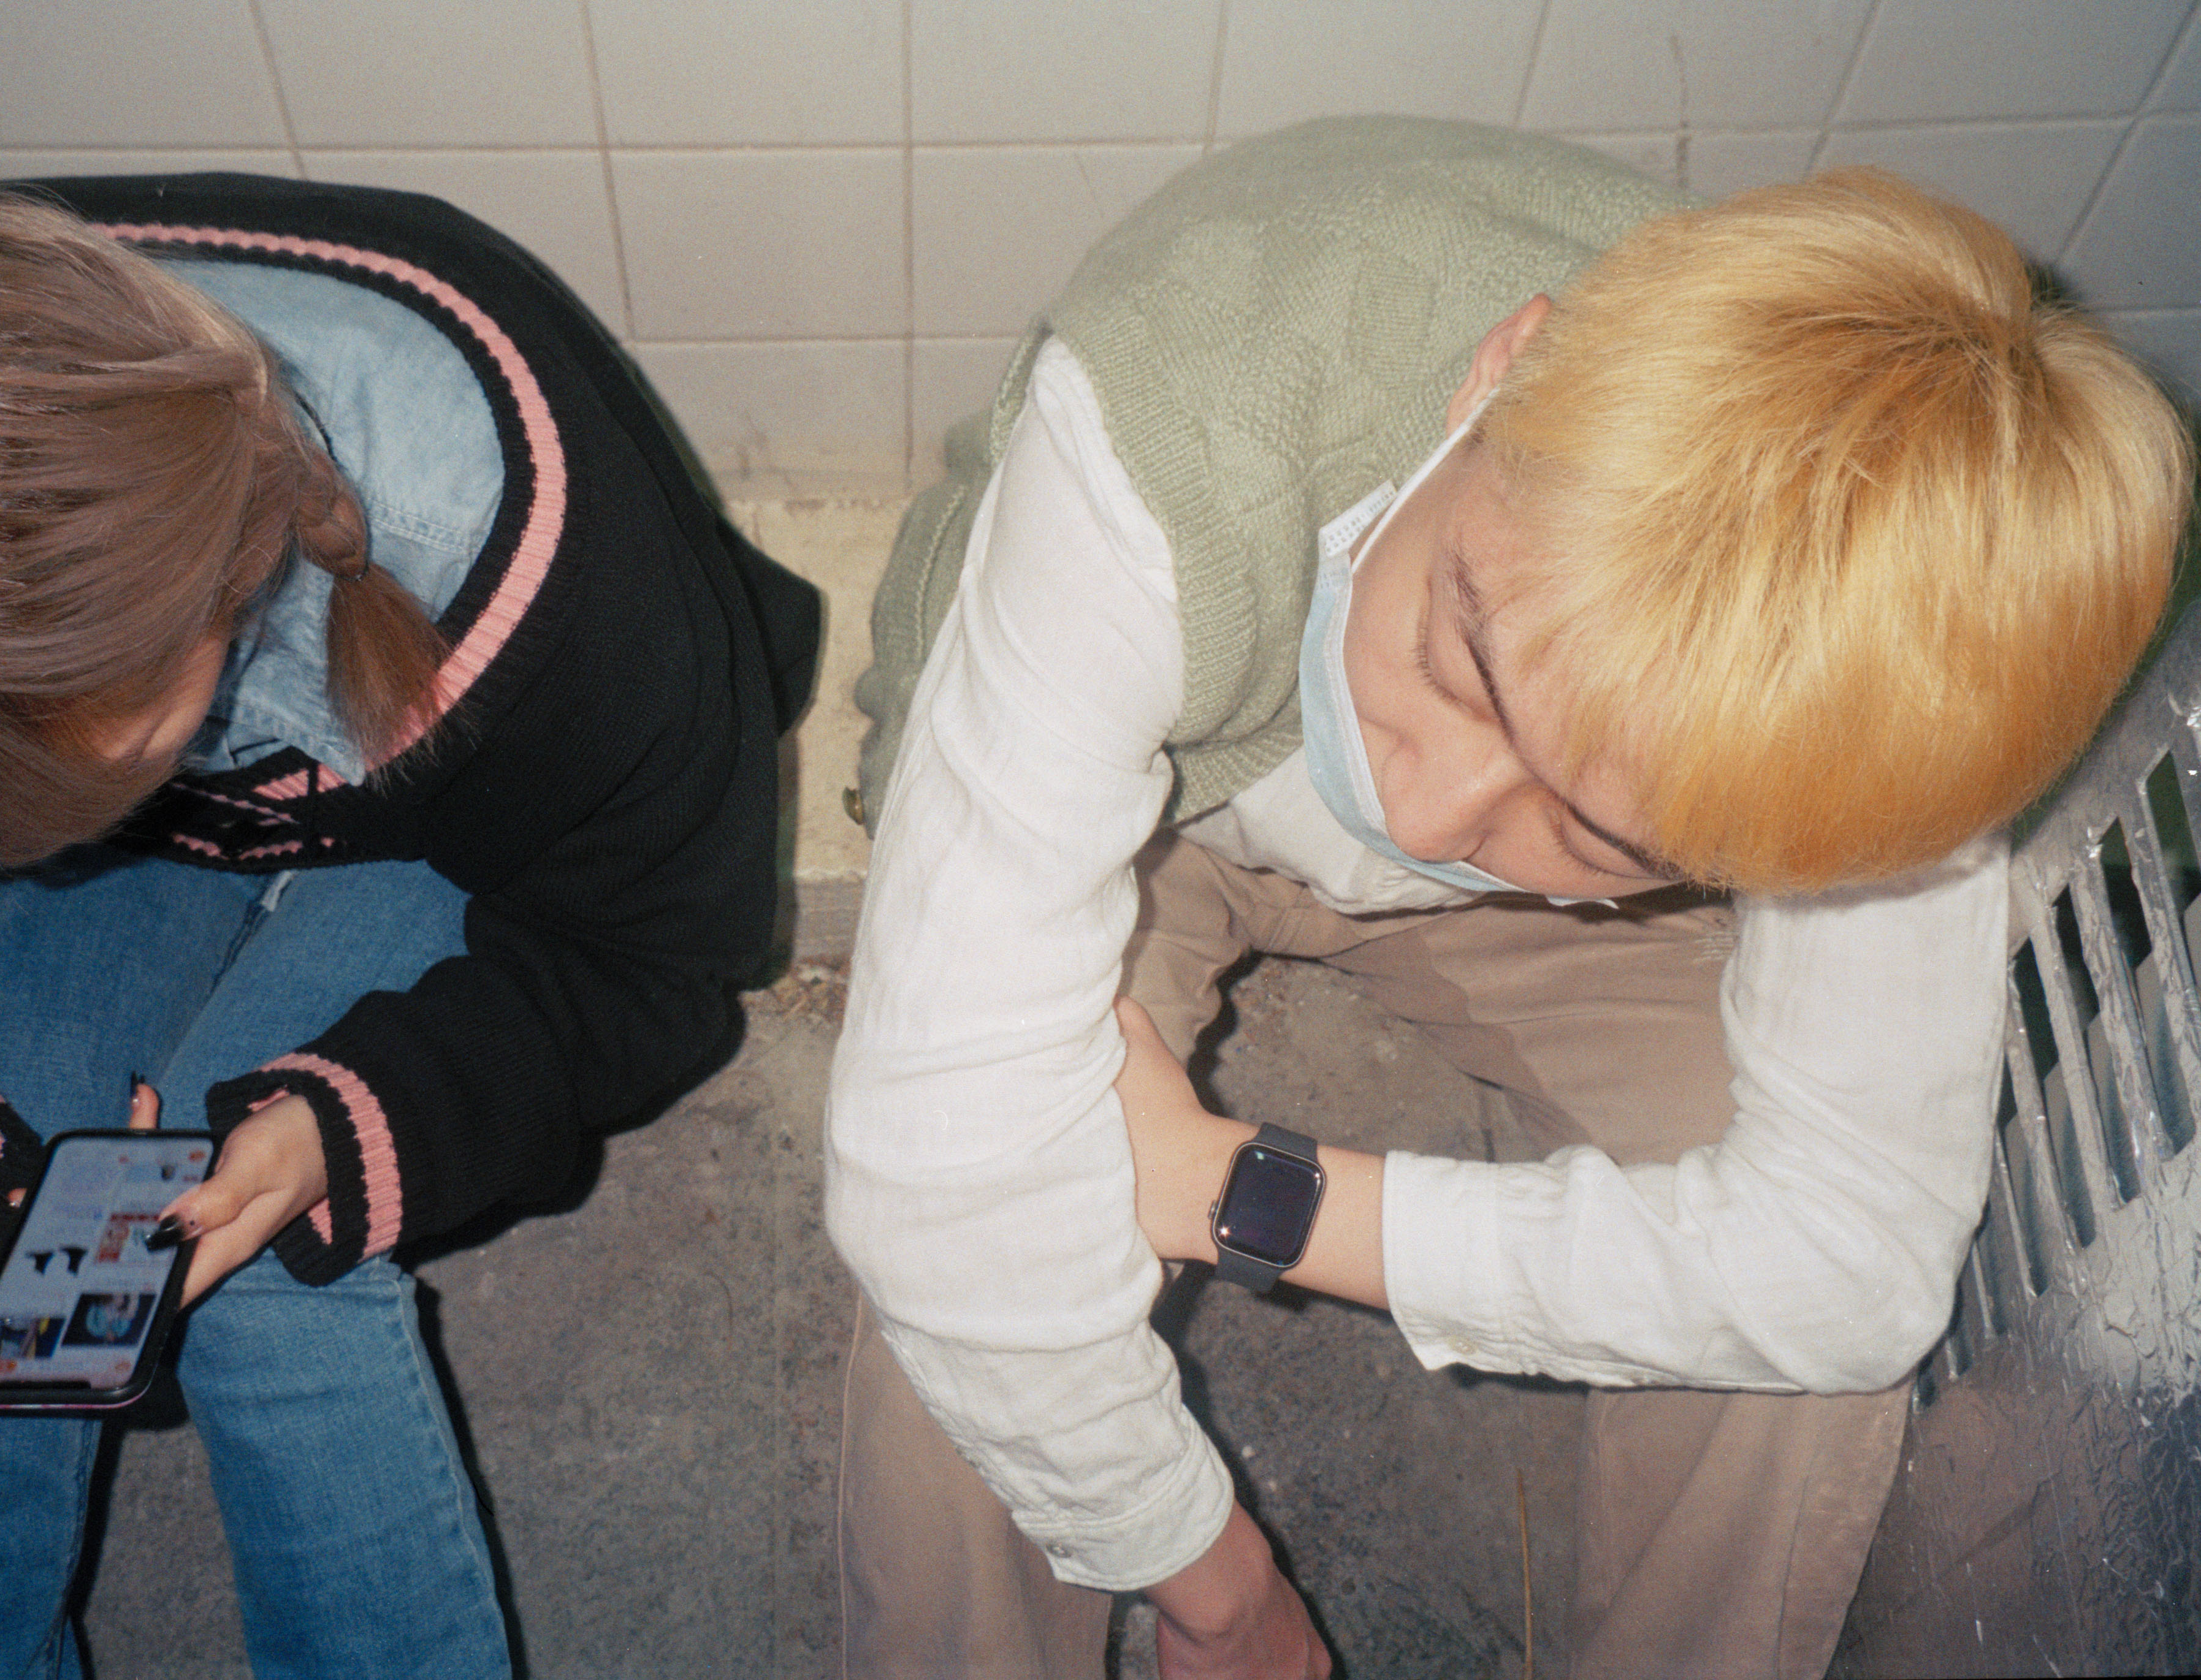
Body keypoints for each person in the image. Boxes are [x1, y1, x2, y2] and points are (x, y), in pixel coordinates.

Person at [827, 117, 2191, 1679]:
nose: (1426, 813)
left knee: (1790, 1370)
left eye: (1597, 826)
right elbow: (943, 1189)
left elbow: (1848, 1260)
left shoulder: (1896, 709)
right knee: (985, 1265)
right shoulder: (1180, 423)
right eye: (1461, 652)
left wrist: (1240, 1190)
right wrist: (1210, 1577)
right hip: (1164, 813)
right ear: (1498, 371)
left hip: (1545, 932)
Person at [0, 172, 817, 1677]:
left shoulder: (559, 587)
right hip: (165, 722)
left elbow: (656, 959)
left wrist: (351, 1126)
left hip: (476, 810)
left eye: (11, 817)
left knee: (270, 1275)